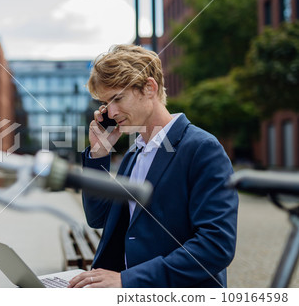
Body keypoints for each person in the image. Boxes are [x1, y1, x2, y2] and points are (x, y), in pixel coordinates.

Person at [67, 44, 238, 288]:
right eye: (106, 103)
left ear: (149, 88)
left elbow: (216, 246)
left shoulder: (202, 148)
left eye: (118, 98)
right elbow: (98, 218)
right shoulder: (133, 155)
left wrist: (127, 280)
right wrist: (98, 155)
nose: (111, 112)